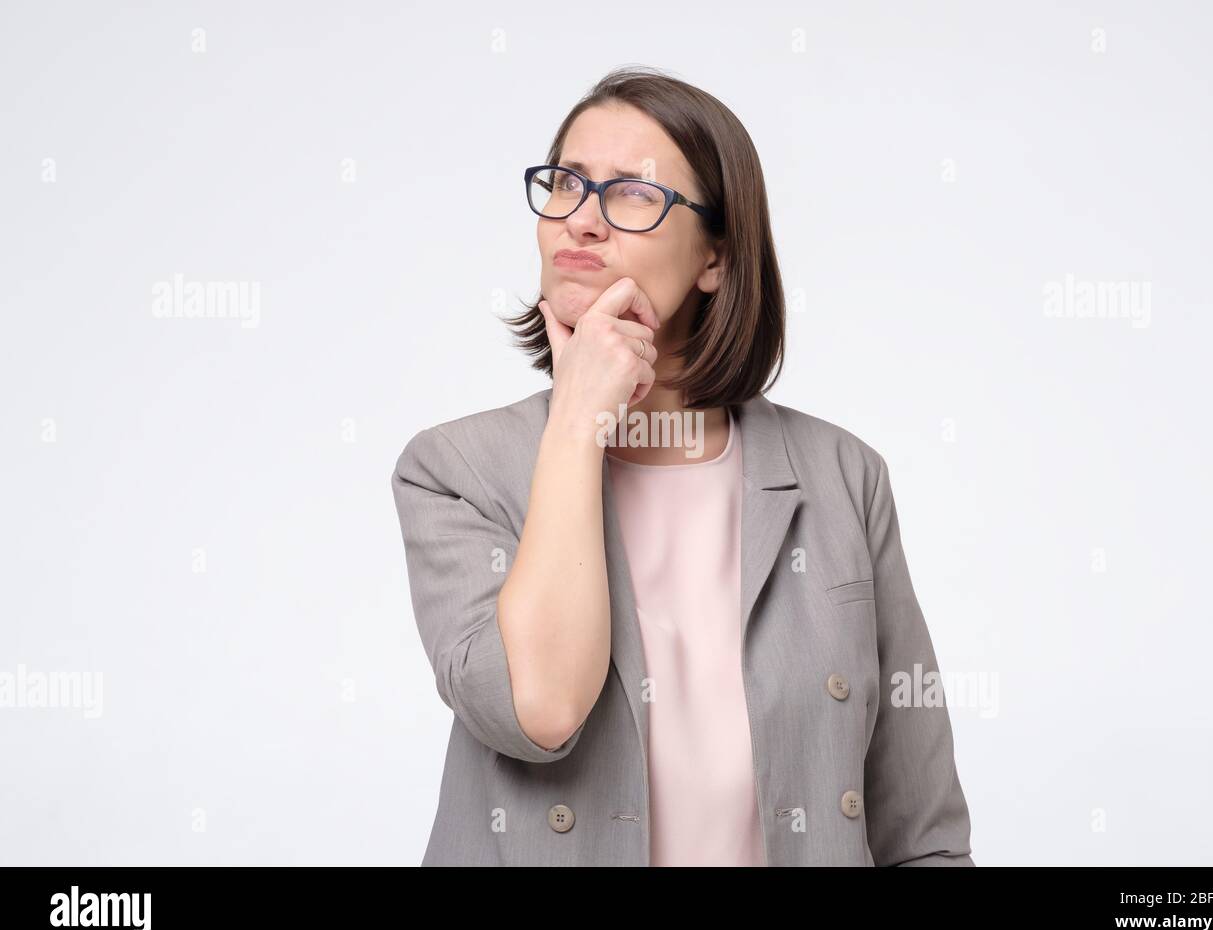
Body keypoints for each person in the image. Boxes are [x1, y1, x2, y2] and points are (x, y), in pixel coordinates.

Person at [390, 66, 974, 866]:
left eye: (634, 193)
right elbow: (543, 712)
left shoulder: (843, 477)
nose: (582, 222)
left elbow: (922, 833)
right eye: (566, 184)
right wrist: (578, 421)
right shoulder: (455, 468)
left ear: (716, 261)